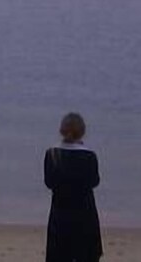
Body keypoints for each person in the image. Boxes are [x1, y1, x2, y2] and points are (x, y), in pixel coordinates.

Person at [44, 112, 103, 262]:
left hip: (60, 214)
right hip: (85, 215)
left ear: (61, 130)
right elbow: (94, 181)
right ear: (82, 132)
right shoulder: (89, 156)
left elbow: (49, 182)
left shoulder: (52, 154)